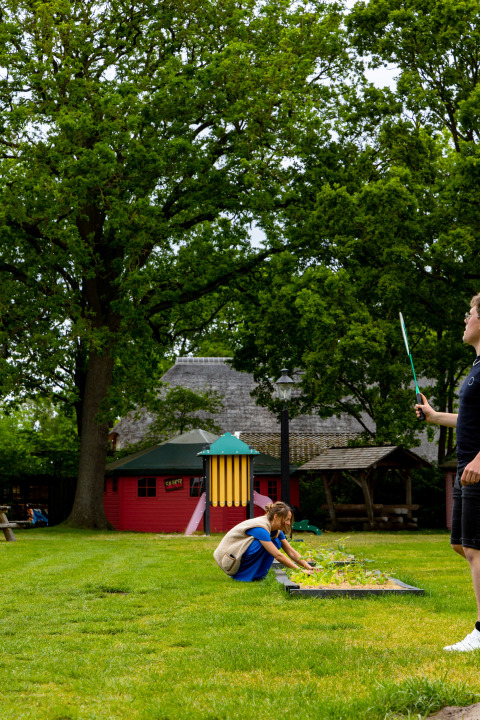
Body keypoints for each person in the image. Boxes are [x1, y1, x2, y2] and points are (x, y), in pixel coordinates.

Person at [415, 293, 480, 651]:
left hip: (478, 468)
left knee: (476, 549)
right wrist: (437, 417)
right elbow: (471, 420)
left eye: (470, 314)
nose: (465, 320)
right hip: (468, 464)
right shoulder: (476, 368)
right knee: (461, 544)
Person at [213, 501, 315, 582]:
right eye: (286, 519)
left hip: (239, 557)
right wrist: (300, 571)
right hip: (230, 560)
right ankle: (242, 576)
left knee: (276, 542)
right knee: (263, 544)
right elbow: (278, 555)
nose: (288, 523)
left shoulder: (276, 531)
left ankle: (258, 576)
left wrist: (308, 567)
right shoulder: (261, 528)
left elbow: (290, 551)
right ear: (276, 517)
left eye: (289, 519)